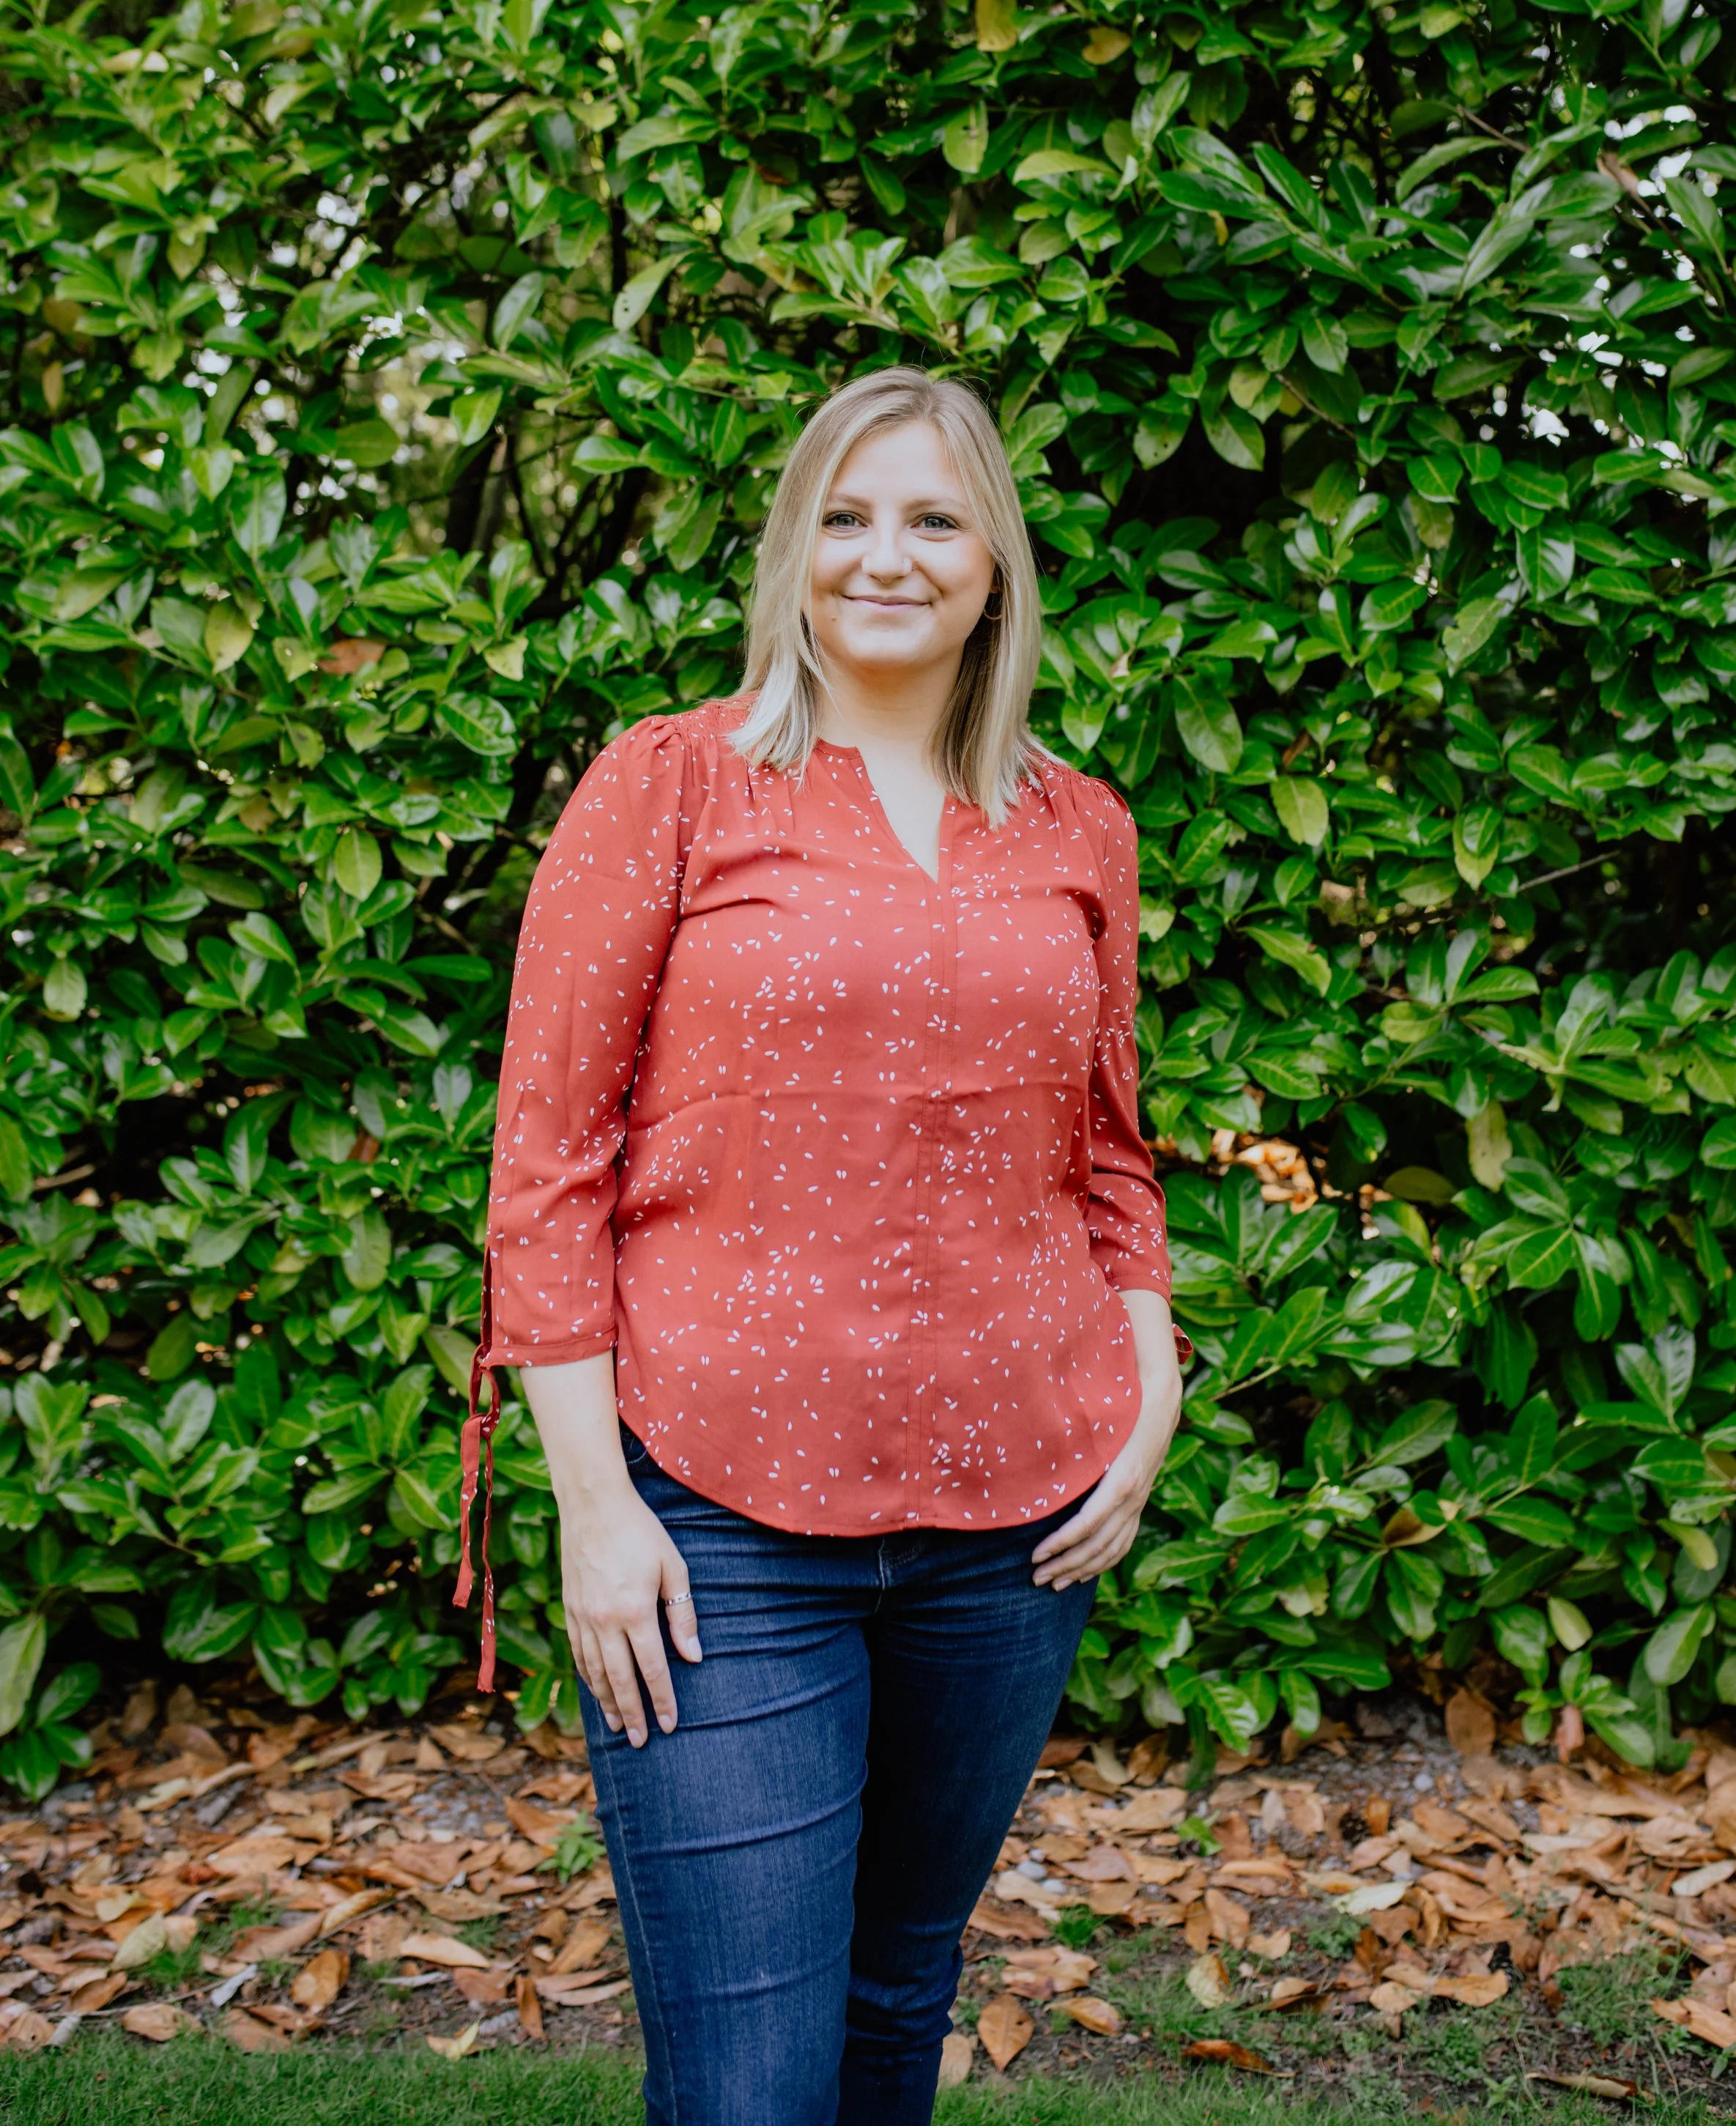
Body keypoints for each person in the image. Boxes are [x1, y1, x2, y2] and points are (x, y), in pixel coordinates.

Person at [456, 366, 1189, 2125]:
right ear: (791, 550)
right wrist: (593, 1504)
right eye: (846, 517)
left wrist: (1150, 1385)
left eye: (933, 517)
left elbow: (1107, 1148)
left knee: (892, 1994)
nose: (888, 555)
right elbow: (547, 1161)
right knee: (747, 2080)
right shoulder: (675, 786)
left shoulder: (1076, 823)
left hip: (1012, 1520)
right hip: (714, 1519)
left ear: (993, 563)